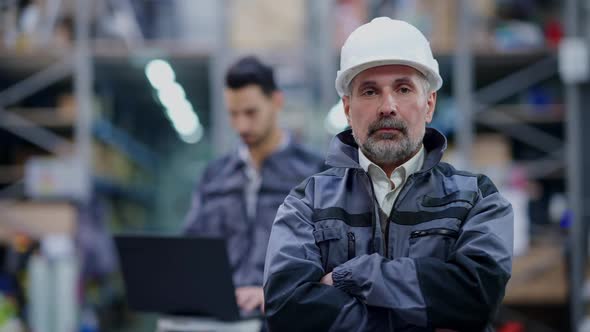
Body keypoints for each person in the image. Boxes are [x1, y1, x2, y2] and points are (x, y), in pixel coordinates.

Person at [263, 17, 513, 332]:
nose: (388, 106)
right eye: (369, 92)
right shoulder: (306, 203)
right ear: (347, 108)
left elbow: (477, 298)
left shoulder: (476, 198)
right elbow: (286, 308)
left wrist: (353, 275)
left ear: (429, 104)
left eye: (404, 88)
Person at [184, 56, 325, 315]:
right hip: (222, 316)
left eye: (250, 112)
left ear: (277, 102)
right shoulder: (213, 177)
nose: (241, 125)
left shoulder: (315, 173)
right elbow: (192, 251)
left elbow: (330, 258)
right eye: (233, 114)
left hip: (286, 314)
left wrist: (274, 291)